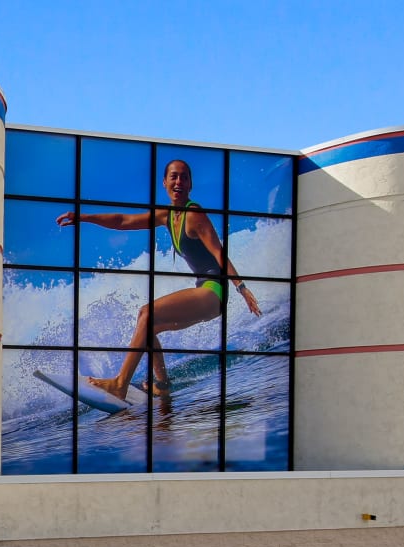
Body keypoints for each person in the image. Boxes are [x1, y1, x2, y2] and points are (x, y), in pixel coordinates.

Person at [56, 159, 261, 401]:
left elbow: (218, 252)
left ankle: (120, 384)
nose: (178, 182)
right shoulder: (166, 215)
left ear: (190, 184)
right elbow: (123, 221)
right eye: (173, 177)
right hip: (204, 289)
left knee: (146, 313)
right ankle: (162, 384)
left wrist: (241, 287)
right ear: (164, 182)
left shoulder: (194, 214)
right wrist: (84, 217)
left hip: (214, 289)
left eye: (184, 177)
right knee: (147, 328)